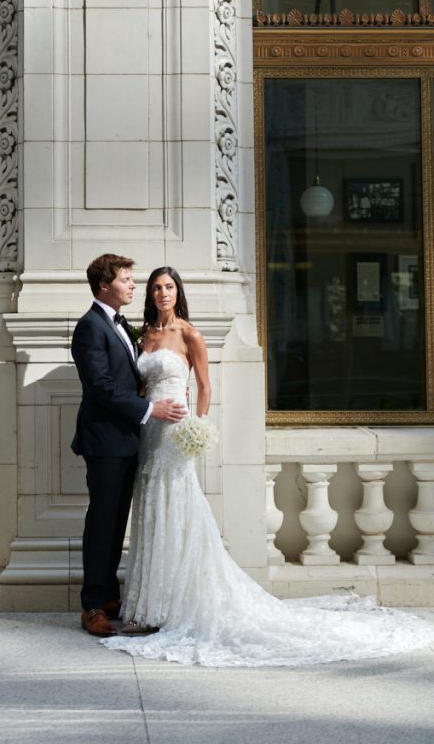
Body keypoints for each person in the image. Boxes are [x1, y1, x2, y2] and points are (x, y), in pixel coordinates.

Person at [102, 265, 434, 666]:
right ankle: (149, 606)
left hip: (176, 433)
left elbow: (205, 386)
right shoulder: (146, 336)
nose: (162, 293)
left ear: (178, 291)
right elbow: (141, 387)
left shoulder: (189, 333)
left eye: (169, 287)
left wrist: (198, 428)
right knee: (153, 509)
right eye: (156, 288)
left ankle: (175, 605)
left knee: (178, 509)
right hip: (149, 433)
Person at [71, 254, 186, 637]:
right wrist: (150, 408)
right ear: (105, 285)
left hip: (130, 440)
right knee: (102, 522)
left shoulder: (121, 325)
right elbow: (100, 387)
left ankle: (108, 596)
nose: (134, 286)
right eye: (126, 279)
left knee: (117, 522)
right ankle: (91, 606)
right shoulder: (89, 327)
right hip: (105, 440)